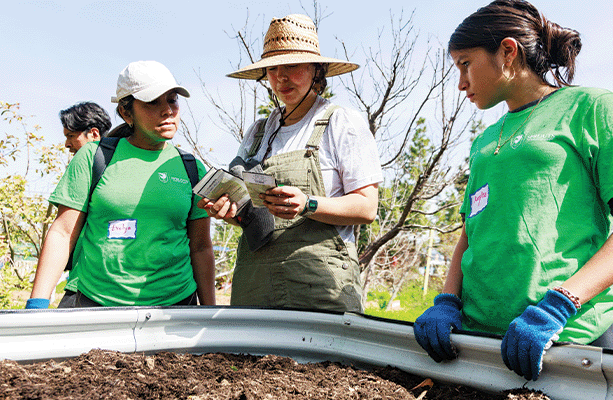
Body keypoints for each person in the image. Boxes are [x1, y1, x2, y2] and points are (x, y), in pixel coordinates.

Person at [413, 0, 613, 382]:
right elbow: (470, 232)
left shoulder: (591, 107)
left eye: (465, 64)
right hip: (478, 341)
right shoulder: (487, 139)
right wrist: (447, 301)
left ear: (507, 52)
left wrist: (559, 304)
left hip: (564, 336)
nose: (460, 83)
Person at [200, 14, 382, 313]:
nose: (281, 77)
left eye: (293, 66)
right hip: (255, 285)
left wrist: (308, 204)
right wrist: (228, 211)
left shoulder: (341, 123)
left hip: (321, 288)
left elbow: (366, 207)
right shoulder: (258, 132)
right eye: (272, 68)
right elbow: (255, 219)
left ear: (317, 70)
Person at [27, 60, 216, 308]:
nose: (168, 110)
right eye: (152, 102)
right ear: (127, 112)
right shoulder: (95, 157)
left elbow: (201, 247)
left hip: (175, 310)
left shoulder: (192, 168)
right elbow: (62, 233)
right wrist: (37, 303)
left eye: (172, 100)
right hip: (97, 304)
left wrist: (211, 313)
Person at [57, 101, 113, 308]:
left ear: (94, 134)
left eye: (71, 136)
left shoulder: (91, 164)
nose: (67, 144)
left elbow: (62, 231)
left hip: (85, 286)